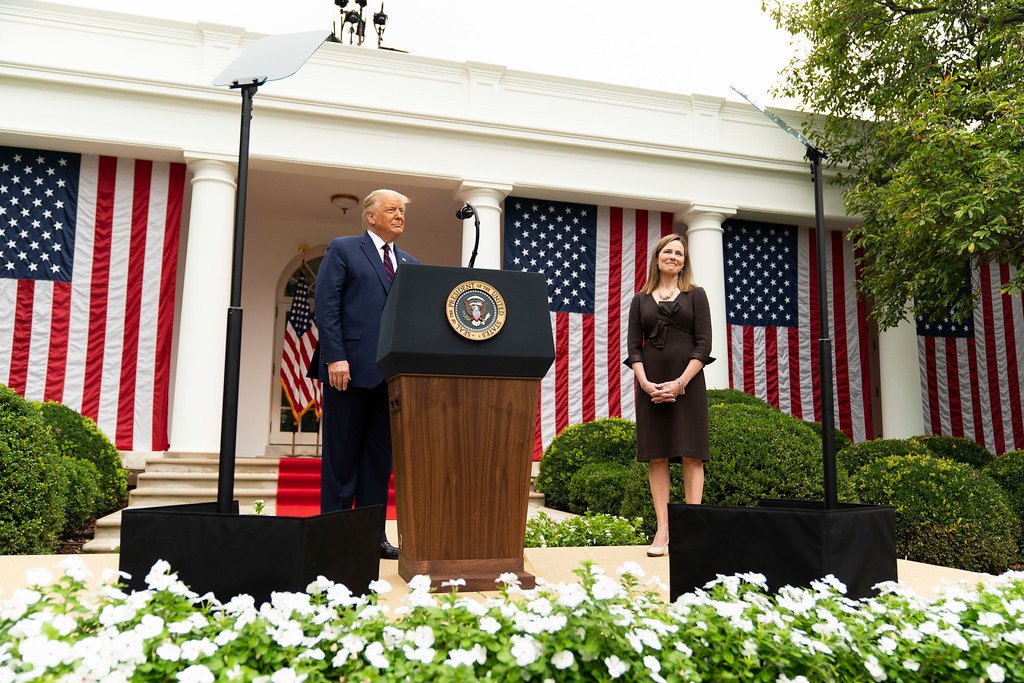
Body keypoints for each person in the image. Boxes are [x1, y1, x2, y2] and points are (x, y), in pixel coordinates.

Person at [311, 189, 419, 560]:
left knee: (378, 462)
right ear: (370, 217)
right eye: (391, 210)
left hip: (390, 379)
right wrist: (335, 357)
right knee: (341, 459)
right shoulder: (344, 249)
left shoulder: (411, 264)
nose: (399, 215)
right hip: (349, 372)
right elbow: (326, 306)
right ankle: (336, 537)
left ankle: (372, 538)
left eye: (402, 211)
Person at [625, 233, 714, 557]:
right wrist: (647, 384)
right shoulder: (641, 300)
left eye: (679, 253)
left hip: (687, 386)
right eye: (668, 251)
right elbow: (634, 346)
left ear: (683, 261)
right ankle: (662, 530)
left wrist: (680, 383)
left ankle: (691, 529)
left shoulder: (696, 295)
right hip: (651, 386)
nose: (673, 256)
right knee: (657, 455)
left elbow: (704, 344)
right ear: (658, 258)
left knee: (691, 454)